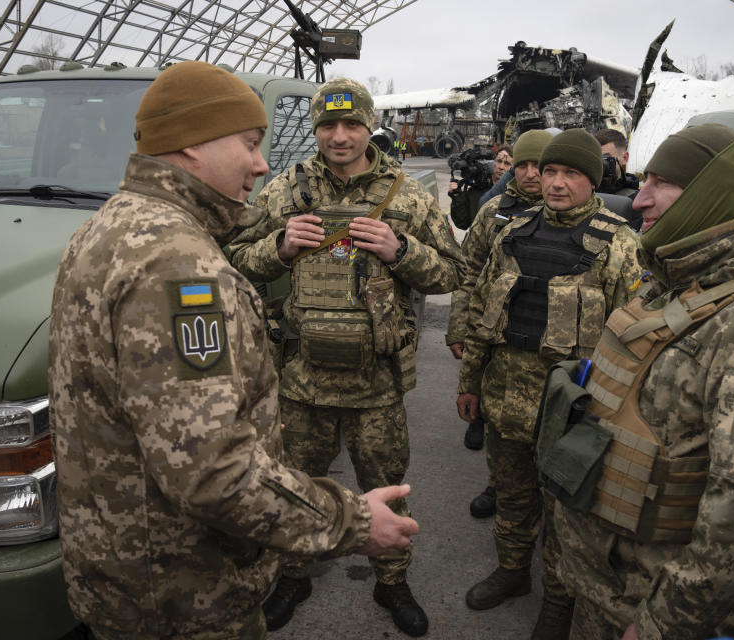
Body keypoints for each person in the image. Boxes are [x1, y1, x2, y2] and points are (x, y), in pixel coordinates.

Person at [47, 61, 419, 640]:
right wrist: (352, 521)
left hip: (130, 568)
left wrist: (402, 252)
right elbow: (212, 473)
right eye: (249, 143)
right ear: (193, 145)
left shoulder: (111, 228)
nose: (261, 162)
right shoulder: (175, 260)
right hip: (186, 591)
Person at [549, 124, 734, 639]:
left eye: (662, 183)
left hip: (650, 608)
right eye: (645, 179)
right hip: (607, 586)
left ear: (711, 192)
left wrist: (664, 623)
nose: (639, 199)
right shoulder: (683, 280)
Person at [228, 77, 464, 638]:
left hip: (375, 383)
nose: (340, 136)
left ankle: (391, 578)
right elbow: (234, 259)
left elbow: (455, 272)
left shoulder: (407, 196)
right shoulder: (285, 191)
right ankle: (294, 572)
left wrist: (399, 250)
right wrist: (279, 246)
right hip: (302, 379)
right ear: (315, 129)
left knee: (387, 482)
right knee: (293, 482)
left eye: (351, 123)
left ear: (368, 126)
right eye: (328, 125)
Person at [456, 129, 643, 640]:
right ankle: (513, 572)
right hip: (505, 395)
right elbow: (481, 312)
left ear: (593, 180)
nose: (557, 184)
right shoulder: (511, 231)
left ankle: (558, 603)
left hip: (572, 407)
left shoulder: (619, 244)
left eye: (572, 174)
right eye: (552, 172)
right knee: (513, 496)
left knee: (566, 514)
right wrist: (469, 381)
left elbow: (635, 336)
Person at [445, 130, 550, 521]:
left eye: (537, 166)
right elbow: (467, 272)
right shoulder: (493, 213)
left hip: (546, 340)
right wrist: (458, 329)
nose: (528, 174)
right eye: (520, 165)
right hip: (496, 335)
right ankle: (498, 485)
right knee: (497, 418)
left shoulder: (572, 215)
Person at [448, 145, 513, 230]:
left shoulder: (516, 192)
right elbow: (462, 224)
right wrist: (457, 196)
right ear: (493, 162)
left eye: (507, 164)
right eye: (499, 161)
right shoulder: (478, 190)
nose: (501, 167)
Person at [594, 128, 643, 231]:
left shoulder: (638, 202)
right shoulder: (583, 194)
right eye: (596, 158)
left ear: (625, 158)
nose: (601, 165)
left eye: (606, 159)